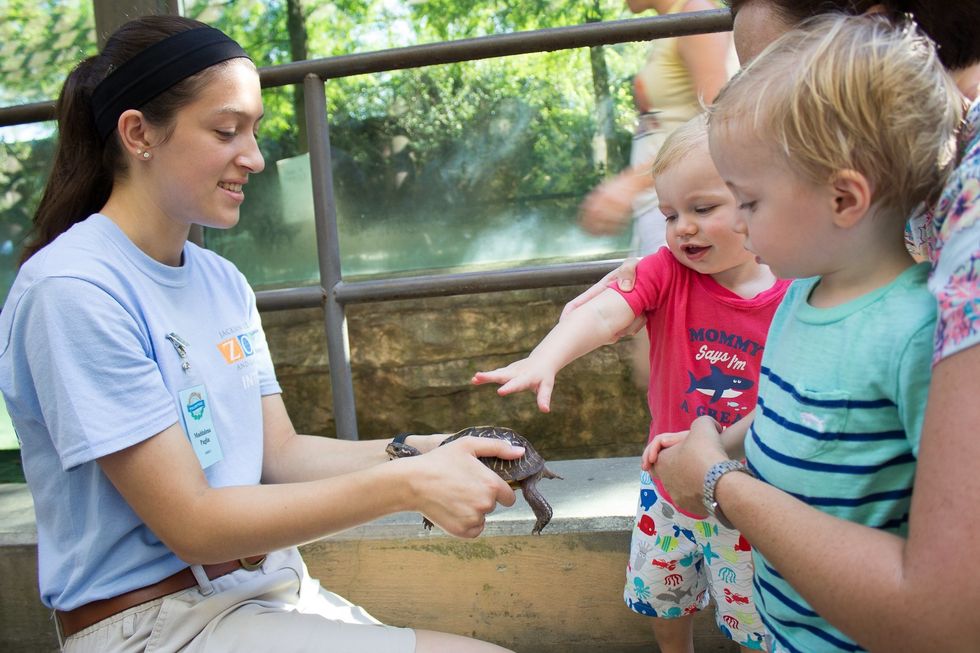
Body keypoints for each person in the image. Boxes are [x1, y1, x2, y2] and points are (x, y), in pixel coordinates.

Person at [0, 16, 525, 653]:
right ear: (139, 133)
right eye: (226, 130)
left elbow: (277, 456)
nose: (254, 156)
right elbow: (191, 522)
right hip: (155, 629)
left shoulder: (223, 281)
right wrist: (408, 486)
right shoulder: (74, 289)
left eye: (253, 130)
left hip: (269, 594)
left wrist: (425, 449)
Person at [647, 13, 969, 652]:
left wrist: (713, 474)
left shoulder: (913, 333)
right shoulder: (800, 294)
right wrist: (717, 442)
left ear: (843, 200)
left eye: (751, 202)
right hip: (786, 620)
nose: (737, 224)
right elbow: (783, 406)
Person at [474, 114, 790, 653]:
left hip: (750, 496)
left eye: (703, 208)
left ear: (759, 200)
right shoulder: (666, 271)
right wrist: (545, 356)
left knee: (754, 622)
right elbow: (603, 314)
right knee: (662, 598)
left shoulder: (795, 290)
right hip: (666, 489)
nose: (682, 227)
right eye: (670, 214)